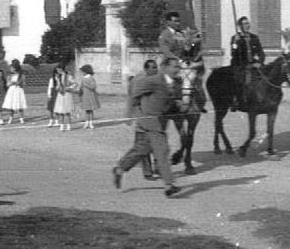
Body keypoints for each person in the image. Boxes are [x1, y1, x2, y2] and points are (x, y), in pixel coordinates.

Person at [112, 57, 183, 198]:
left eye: (178, 67)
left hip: (160, 122)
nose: (177, 69)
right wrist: (138, 112)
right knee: (162, 150)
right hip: (150, 121)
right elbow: (135, 92)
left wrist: (178, 106)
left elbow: (170, 104)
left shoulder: (176, 84)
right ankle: (169, 185)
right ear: (165, 67)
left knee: (141, 149)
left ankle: (120, 169)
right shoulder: (154, 80)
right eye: (174, 66)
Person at [158, 11, 206, 113]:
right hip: (169, 64)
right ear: (168, 22)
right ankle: (168, 106)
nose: (178, 23)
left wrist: (193, 42)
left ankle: (198, 102)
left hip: (183, 63)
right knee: (169, 82)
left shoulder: (180, 34)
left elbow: (187, 47)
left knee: (194, 78)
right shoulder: (164, 35)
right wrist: (177, 59)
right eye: (175, 21)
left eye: (178, 21)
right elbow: (165, 51)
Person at [230, 16, 265, 111]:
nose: (247, 25)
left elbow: (261, 53)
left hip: (254, 64)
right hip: (240, 65)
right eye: (245, 24)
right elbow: (233, 53)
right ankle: (236, 101)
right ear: (240, 26)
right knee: (239, 80)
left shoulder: (254, 37)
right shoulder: (235, 38)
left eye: (248, 23)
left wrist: (259, 62)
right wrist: (236, 43)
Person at [2, 59, 27, 124]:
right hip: (12, 90)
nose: (11, 69)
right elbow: (7, 84)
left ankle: (21, 118)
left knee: (20, 104)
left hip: (18, 89)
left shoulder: (21, 75)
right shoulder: (9, 75)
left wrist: (19, 83)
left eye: (12, 67)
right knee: (11, 104)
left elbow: (24, 84)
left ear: (15, 68)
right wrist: (11, 83)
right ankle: (11, 117)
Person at [52, 63, 76, 131]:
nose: (57, 71)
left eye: (58, 69)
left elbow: (75, 84)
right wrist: (57, 88)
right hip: (60, 94)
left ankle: (68, 126)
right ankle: (62, 126)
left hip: (67, 94)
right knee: (60, 110)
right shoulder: (57, 77)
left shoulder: (68, 76)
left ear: (61, 69)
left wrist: (68, 88)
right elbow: (58, 85)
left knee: (67, 111)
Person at [79, 64, 100, 129]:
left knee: (90, 110)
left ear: (86, 71)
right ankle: (86, 122)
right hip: (85, 96)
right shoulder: (82, 78)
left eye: (82, 72)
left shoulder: (91, 78)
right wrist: (80, 92)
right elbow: (81, 87)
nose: (82, 73)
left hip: (91, 96)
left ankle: (90, 123)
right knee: (86, 110)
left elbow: (93, 87)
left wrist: (86, 85)